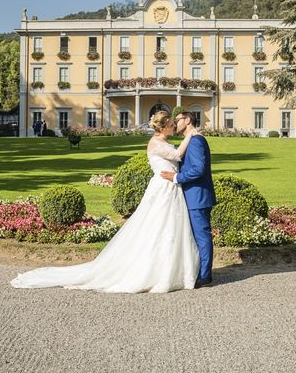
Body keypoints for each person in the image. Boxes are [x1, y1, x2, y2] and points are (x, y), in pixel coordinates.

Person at [11, 111, 200, 293]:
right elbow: (177, 156)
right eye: (171, 125)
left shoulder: (162, 141)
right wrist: (190, 135)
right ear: (164, 127)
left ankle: (169, 270)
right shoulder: (155, 143)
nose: (174, 127)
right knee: (159, 227)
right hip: (163, 188)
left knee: (170, 227)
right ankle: (156, 272)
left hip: (170, 188)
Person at [161, 111, 217, 288]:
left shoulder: (196, 141)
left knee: (202, 236)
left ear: (187, 120)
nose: (174, 124)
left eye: (176, 121)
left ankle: (205, 276)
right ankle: (199, 271)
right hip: (192, 196)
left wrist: (177, 178)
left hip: (197, 196)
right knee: (197, 235)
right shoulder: (191, 140)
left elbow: (199, 169)